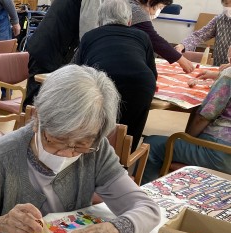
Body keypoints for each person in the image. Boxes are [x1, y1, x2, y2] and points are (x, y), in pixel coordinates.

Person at [0, 65, 160, 233]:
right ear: (37, 119)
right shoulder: (2, 158)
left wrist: (111, 230)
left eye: (81, 144)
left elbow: (147, 209)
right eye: (57, 140)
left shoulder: (96, 149)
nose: (67, 153)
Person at [75, 0, 157, 149]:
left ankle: (93, 153)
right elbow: (153, 72)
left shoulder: (90, 36)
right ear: (129, 21)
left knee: (97, 125)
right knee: (130, 131)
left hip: (103, 77)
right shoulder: (142, 36)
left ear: (99, 20)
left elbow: (78, 71)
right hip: (140, 82)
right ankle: (124, 158)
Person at [141, 66, 231, 184]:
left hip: (221, 153)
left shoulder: (228, 75)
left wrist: (186, 139)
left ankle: (146, 191)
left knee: (152, 144)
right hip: (223, 152)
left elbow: (204, 117)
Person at [22, 0, 100, 107]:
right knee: (36, 104)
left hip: (44, 46)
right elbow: (87, 35)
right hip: (50, 51)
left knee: (38, 102)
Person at [129, 0, 194, 73]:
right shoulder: (136, 10)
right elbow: (153, 39)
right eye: (160, 7)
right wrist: (180, 59)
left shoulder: (132, 5)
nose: (156, 12)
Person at [174, 0, 231, 67]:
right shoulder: (219, 20)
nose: (229, 6)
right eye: (226, 3)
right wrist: (182, 45)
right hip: (218, 67)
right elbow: (199, 35)